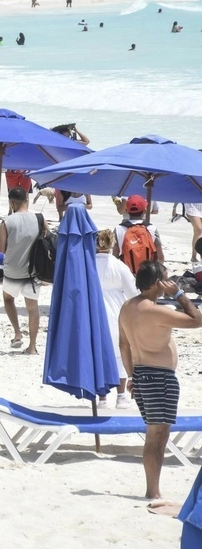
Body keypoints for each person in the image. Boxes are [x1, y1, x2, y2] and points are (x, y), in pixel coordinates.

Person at [119, 260, 201, 502]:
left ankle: (152, 489)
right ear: (158, 283)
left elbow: (124, 345)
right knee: (157, 436)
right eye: (167, 279)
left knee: (154, 434)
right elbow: (197, 320)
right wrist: (178, 294)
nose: (171, 281)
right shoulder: (155, 310)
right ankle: (152, 491)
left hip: (142, 374)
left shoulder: (127, 307)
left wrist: (133, 375)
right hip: (159, 377)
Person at [0, 187, 42, 353]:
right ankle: (32, 347)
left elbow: (1, 249)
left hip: (13, 272)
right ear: (27, 200)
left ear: (11, 202)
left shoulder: (7, 222)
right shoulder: (39, 219)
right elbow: (46, 240)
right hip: (33, 272)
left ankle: (17, 333)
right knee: (32, 308)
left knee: (8, 300)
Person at [95, 229, 135, 409]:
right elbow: (133, 293)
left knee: (98, 354)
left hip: (95, 310)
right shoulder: (120, 266)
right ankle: (121, 396)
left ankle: (102, 398)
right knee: (120, 353)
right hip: (117, 311)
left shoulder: (88, 264)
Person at [115, 194, 163, 273]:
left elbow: (115, 258)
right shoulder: (152, 229)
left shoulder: (118, 229)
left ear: (127, 211)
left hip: (126, 275)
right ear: (145, 211)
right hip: (148, 276)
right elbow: (160, 257)